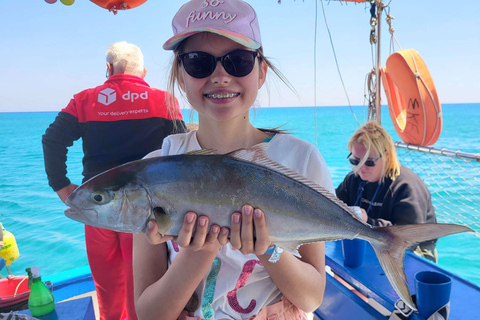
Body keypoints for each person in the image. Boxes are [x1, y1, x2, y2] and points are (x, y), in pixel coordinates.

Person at [132, 1, 334, 319]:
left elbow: (311, 298)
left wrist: (268, 248)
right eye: (199, 63)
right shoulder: (156, 170)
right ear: (180, 76)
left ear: (261, 71)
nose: (221, 76)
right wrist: (198, 254)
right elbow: (148, 314)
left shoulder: (301, 160)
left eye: (238, 61)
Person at [42, 41, 186, 320]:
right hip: (148, 213)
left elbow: (52, 139)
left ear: (108, 68)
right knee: (142, 287)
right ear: (142, 73)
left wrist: (62, 187)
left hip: (98, 207)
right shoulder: (163, 100)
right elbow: (180, 151)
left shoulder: (84, 100)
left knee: (107, 287)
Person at [335, 121, 438, 263]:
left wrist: (368, 222)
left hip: (412, 251)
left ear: (387, 156)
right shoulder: (353, 179)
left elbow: (409, 238)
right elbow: (334, 203)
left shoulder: (407, 186)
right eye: (355, 161)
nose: (360, 168)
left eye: (369, 162)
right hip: (369, 243)